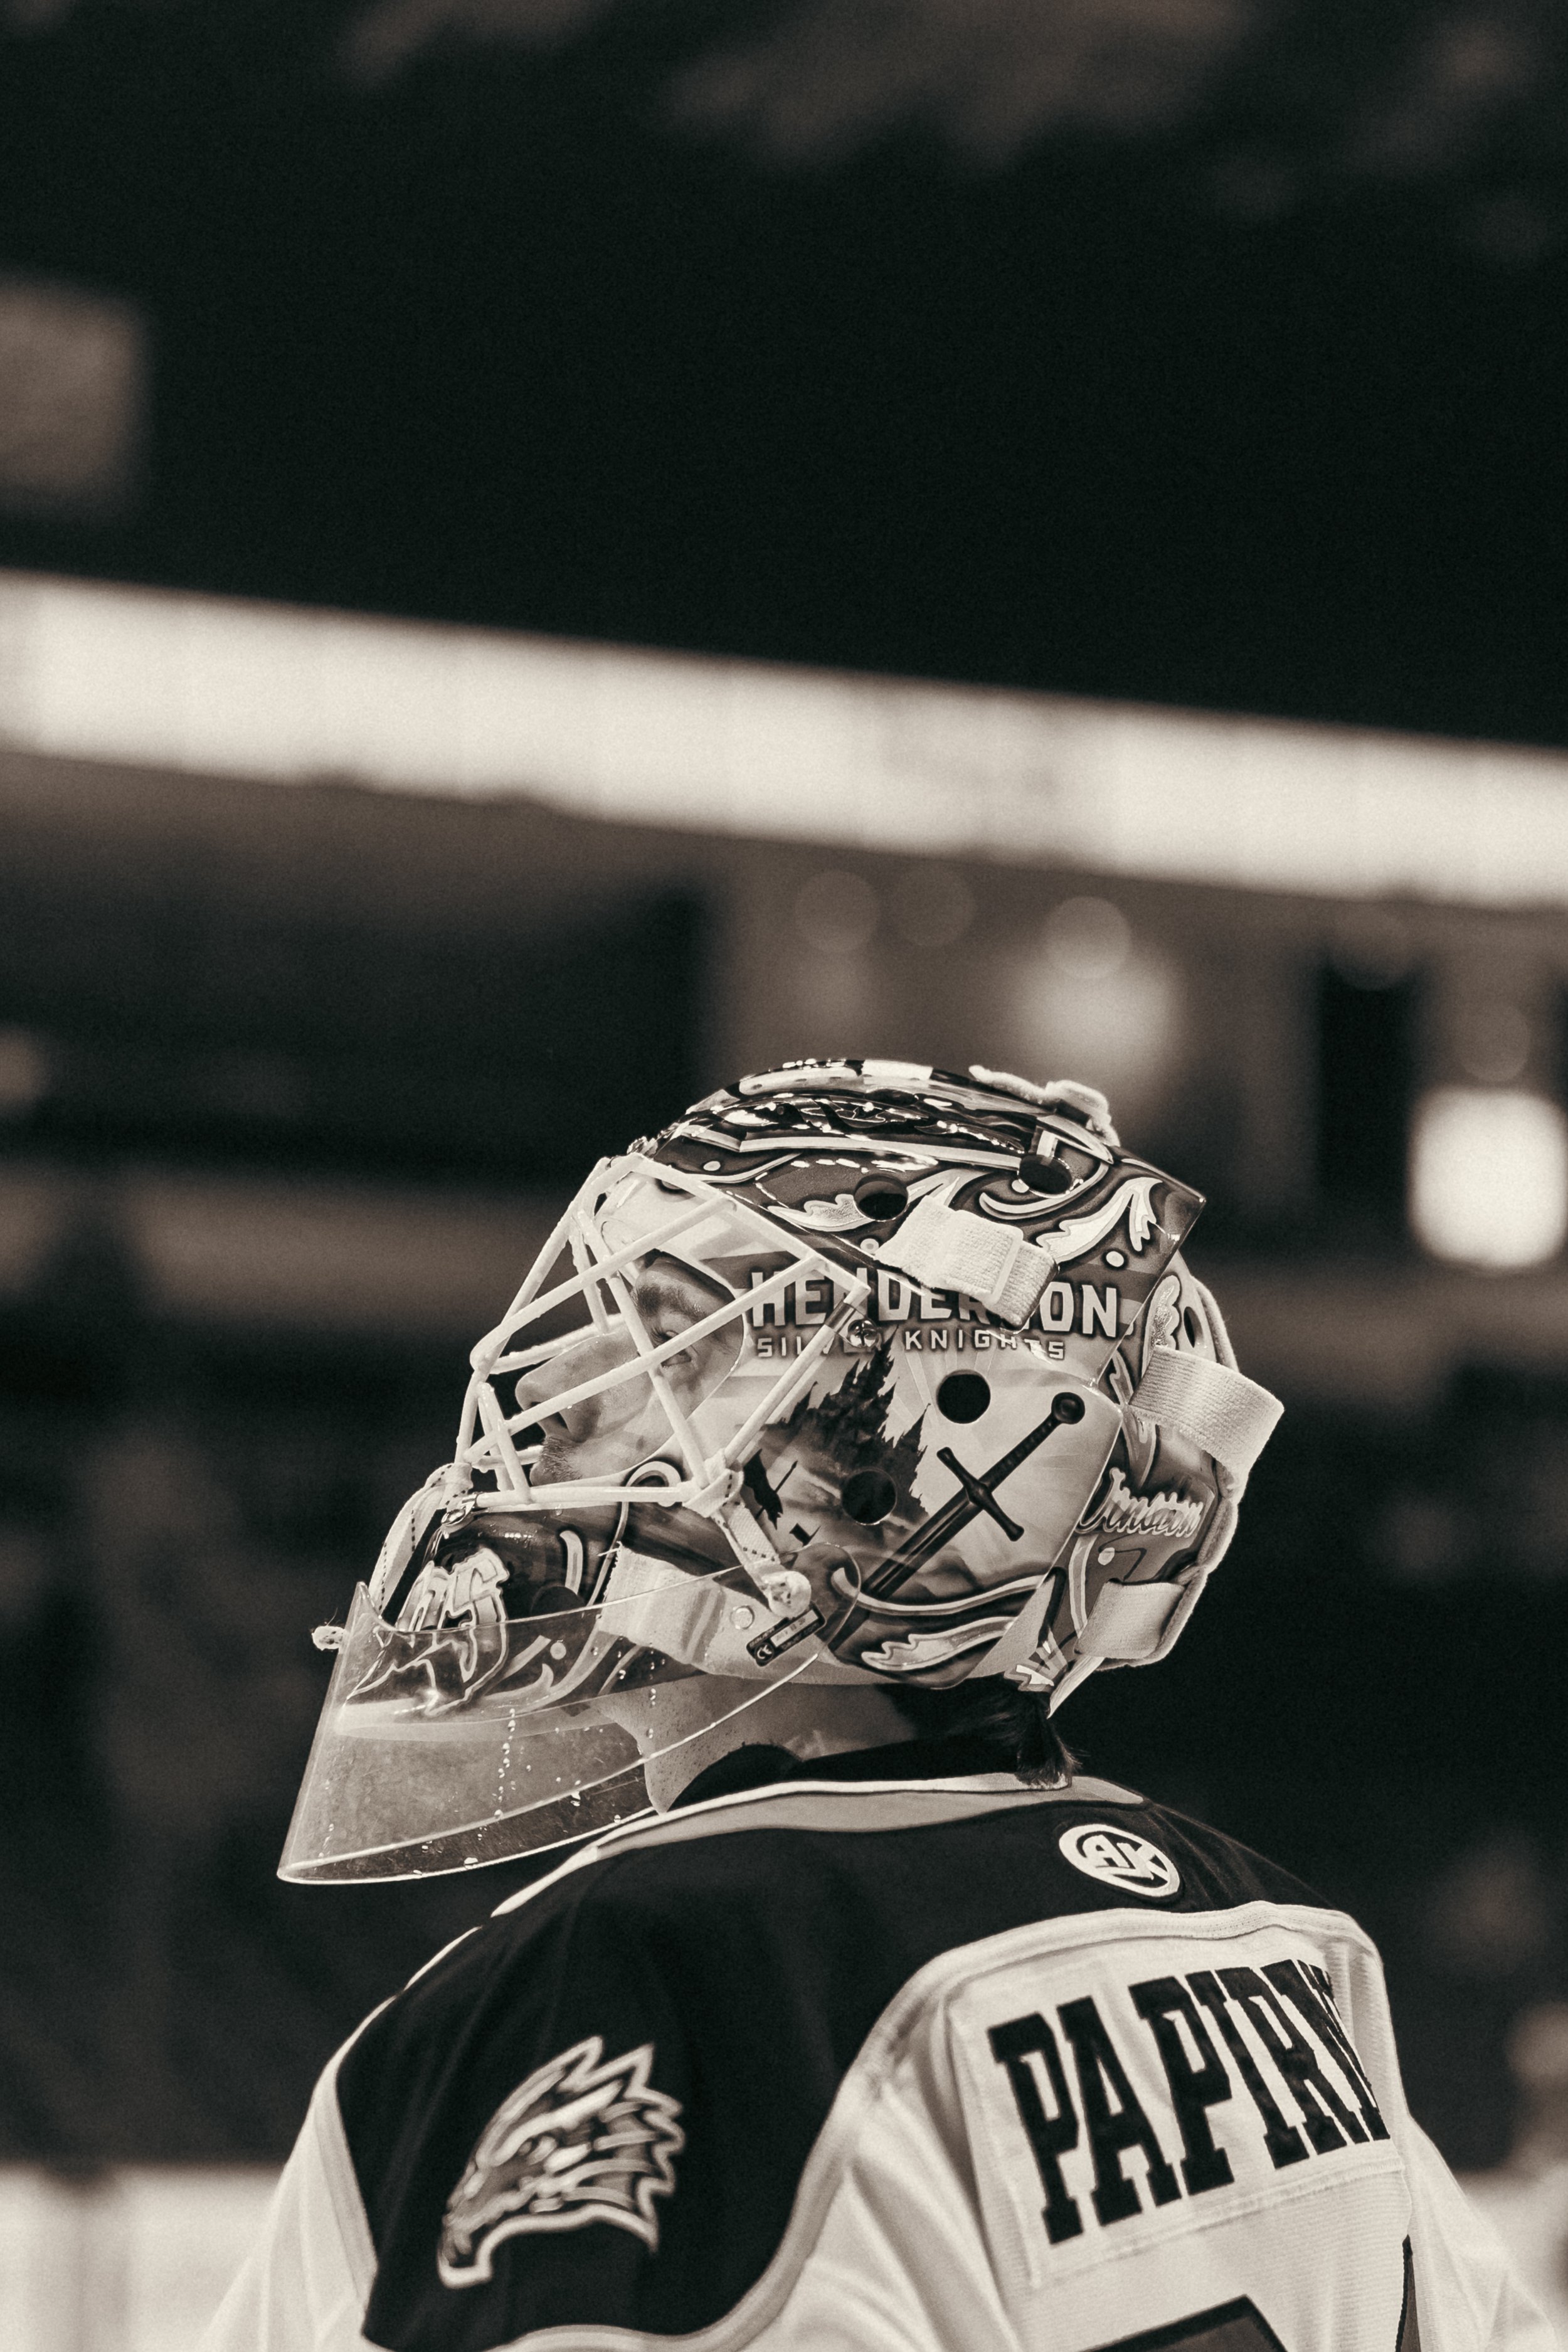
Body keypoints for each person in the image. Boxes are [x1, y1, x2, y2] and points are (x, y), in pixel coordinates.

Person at [205, 1057, 1552, 2351]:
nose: (553, 1426)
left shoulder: (634, 1968)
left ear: (896, 1468)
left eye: (665, 1351)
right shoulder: (1280, 1938)